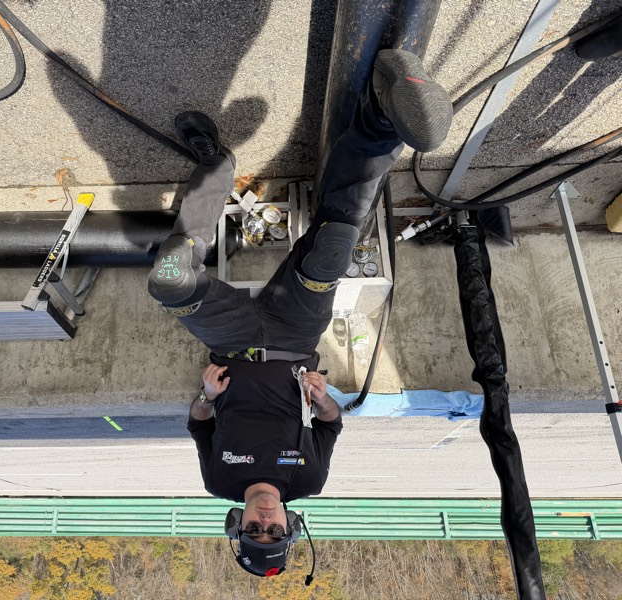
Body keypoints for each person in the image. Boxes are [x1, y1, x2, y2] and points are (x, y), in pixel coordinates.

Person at [147, 49, 452, 577]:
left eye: (253, 529)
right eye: (275, 531)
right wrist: (322, 397)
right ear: (292, 524)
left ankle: (214, 166)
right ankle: (380, 121)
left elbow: (199, 426)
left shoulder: (217, 481)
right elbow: (332, 426)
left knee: (170, 282)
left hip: (231, 339)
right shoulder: (309, 480)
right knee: (333, 247)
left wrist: (208, 396)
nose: (265, 520)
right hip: (295, 334)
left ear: (235, 524)